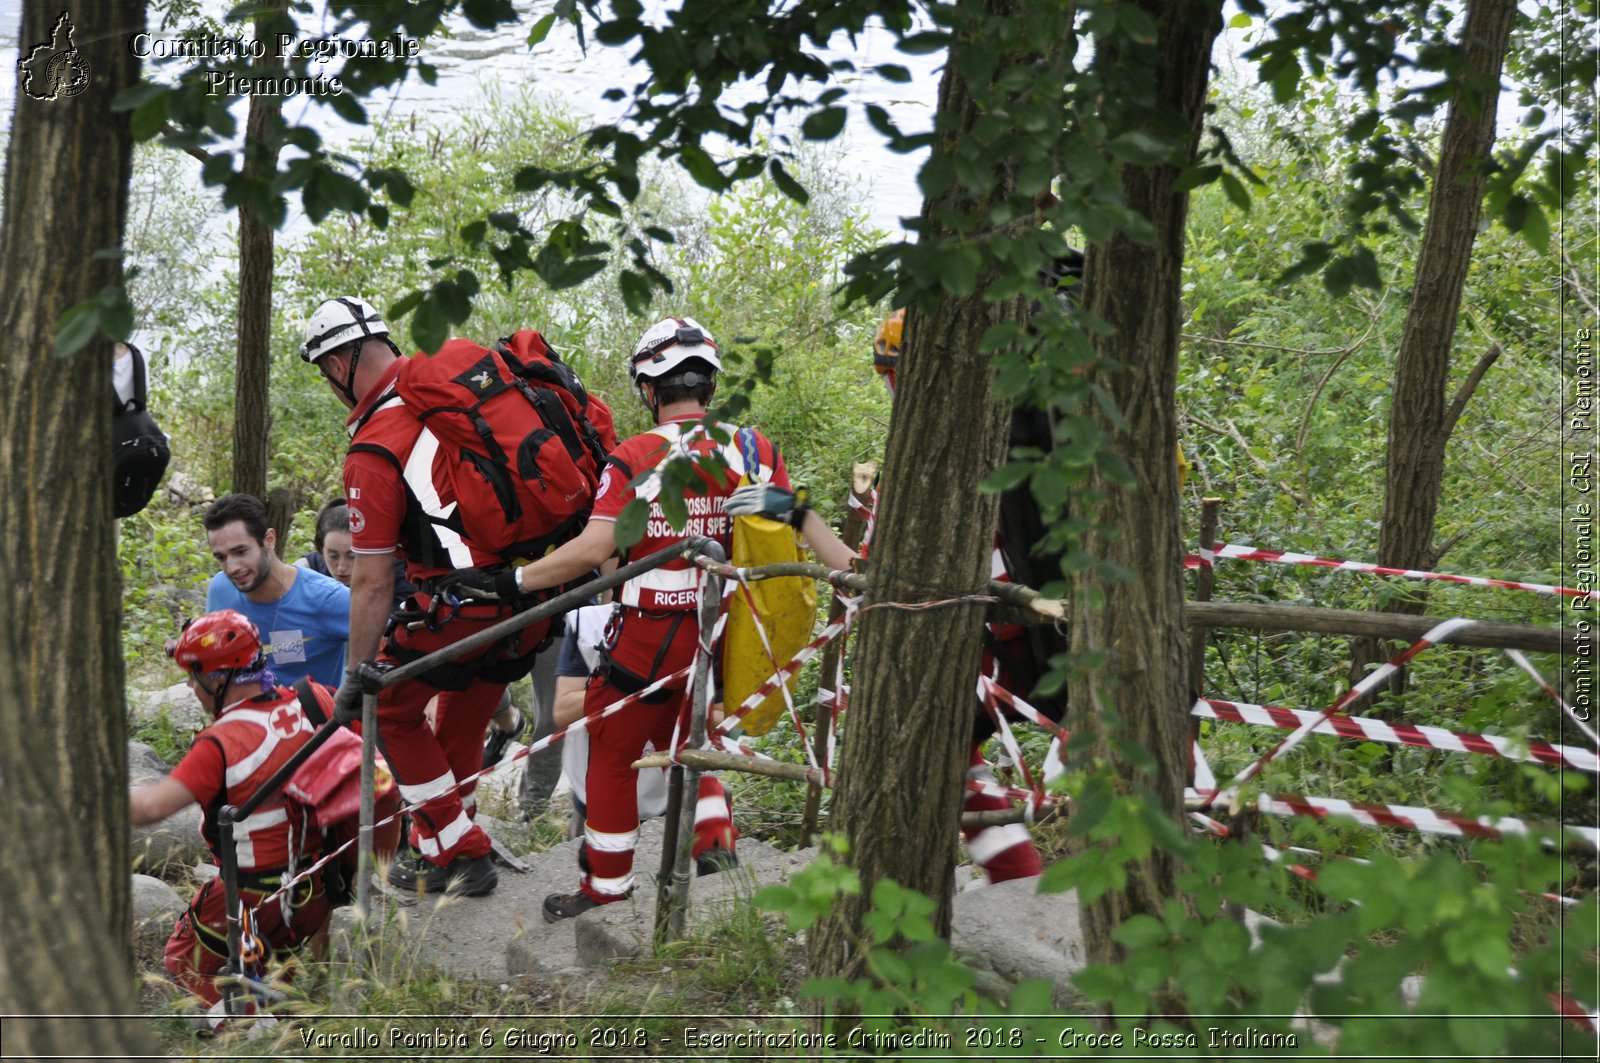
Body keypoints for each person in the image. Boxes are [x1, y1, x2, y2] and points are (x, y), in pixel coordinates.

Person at [456, 315, 854, 920]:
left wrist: (512, 580)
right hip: (723, 639)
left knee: (612, 753)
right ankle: (716, 854)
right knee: (691, 736)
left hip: (647, 637)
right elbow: (808, 532)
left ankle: (606, 888)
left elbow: (597, 551)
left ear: (649, 389)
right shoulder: (752, 449)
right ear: (710, 384)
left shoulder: (635, 455)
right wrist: (856, 564)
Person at [300, 296, 570, 899]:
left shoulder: (374, 443)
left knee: (391, 704)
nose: (330, 385)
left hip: (466, 605)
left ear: (341, 363)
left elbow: (370, 580)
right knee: (465, 702)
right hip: (534, 595)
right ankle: (438, 845)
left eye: (325, 373)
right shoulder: (459, 398)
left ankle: (459, 850)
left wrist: (354, 678)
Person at [130, 611, 329, 1030]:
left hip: (251, 899)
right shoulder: (313, 700)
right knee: (275, 966)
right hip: (315, 890)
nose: (189, 687)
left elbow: (148, 809)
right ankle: (277, 1009)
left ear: (217, 679)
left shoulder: (221, 743)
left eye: (192, 677)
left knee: (184, 961)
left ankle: (253, 1032)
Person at [552, 603, 736, 873]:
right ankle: (711, 820)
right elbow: (562, 711)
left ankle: (607, 881)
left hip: (665, 794)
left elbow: (726, 717)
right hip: (595, 793)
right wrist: (627, 695)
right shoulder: (587, 621)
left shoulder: (710, 625)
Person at [203, 494, 351, 688]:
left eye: (241, 552)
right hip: (243, 715)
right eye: (221, 558)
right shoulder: (220, 589)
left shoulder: (327, 598)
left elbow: (388, 645)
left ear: (269, 540)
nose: (232, 567)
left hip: (314, 716)